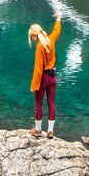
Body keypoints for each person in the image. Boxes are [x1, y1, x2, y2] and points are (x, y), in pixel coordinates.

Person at [29, 10, 61, 138]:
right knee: (51, 103)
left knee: (38, 104)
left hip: (43, 78)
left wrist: (34, 85)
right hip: (53, 77)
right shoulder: (50, 40)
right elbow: (56, 31)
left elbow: (38, 69)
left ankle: (37, 130)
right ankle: (50, 131)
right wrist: (58, 17)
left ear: (34, 36)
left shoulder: (39, 48)